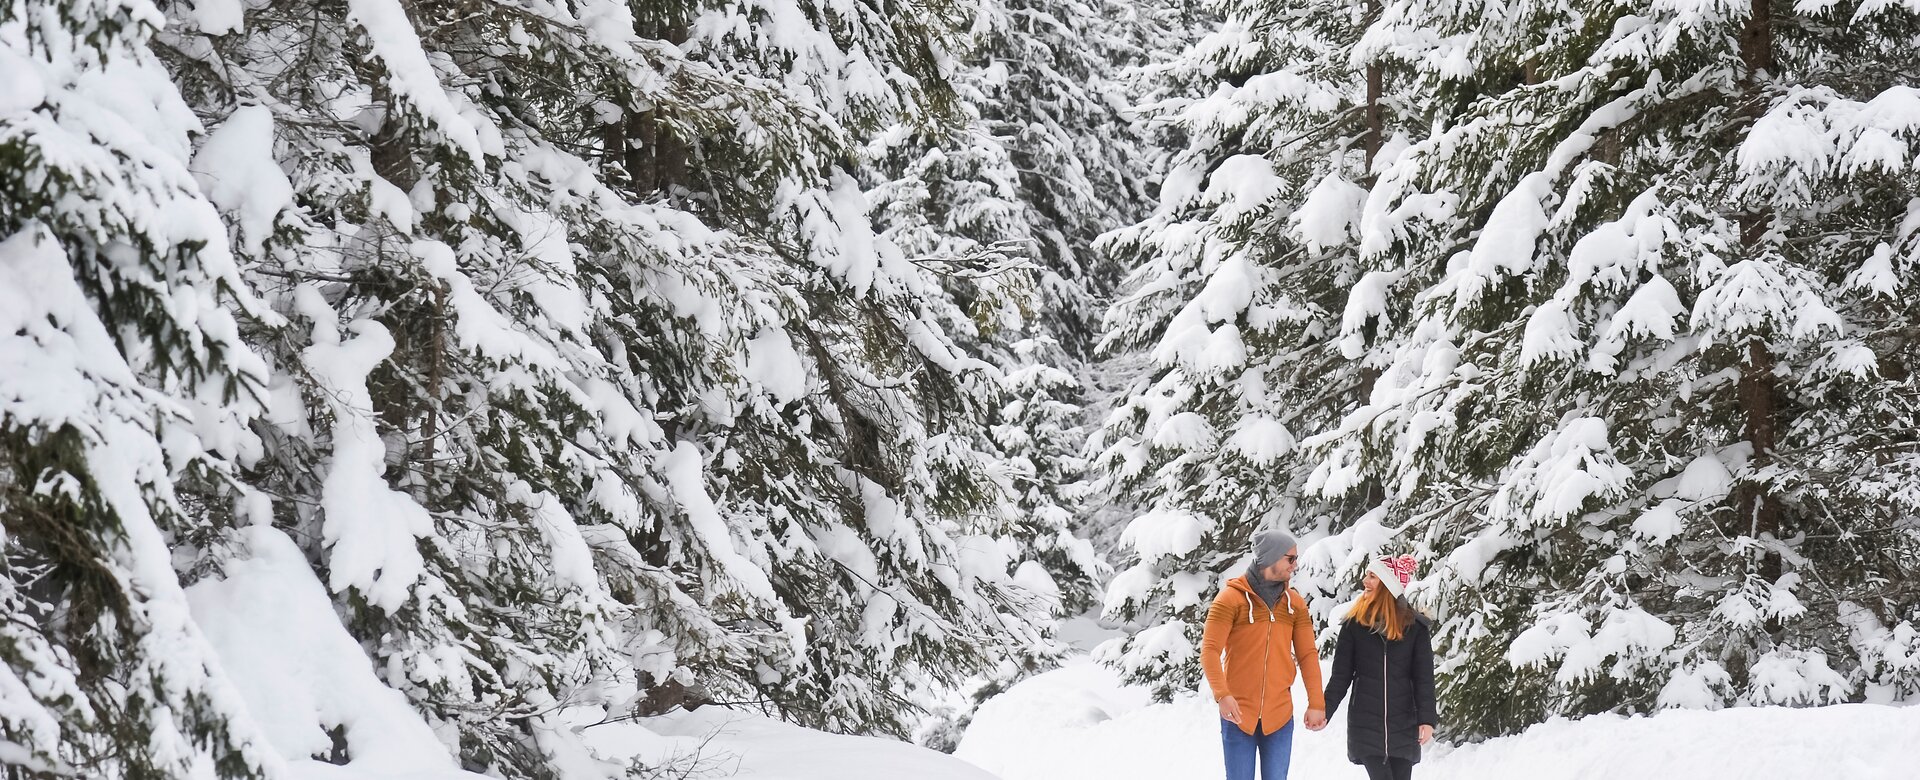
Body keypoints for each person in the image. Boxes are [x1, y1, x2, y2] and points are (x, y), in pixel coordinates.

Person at [1200, 529, 1326, 780]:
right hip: (1238, 716)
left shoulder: (1295, 604)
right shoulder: (1230, 599)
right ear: (1270, 558)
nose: (1295, 565)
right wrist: (1222, 695)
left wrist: (1316, 703)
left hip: (1279, 716)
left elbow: (1308, 655)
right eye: (1290, 558)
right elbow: (1210, 650)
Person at [1321, 555, 1438, 780]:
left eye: (1372, 576)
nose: (1365, 581)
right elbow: (1341, 677)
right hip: (1366, 724)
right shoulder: (1353, 626)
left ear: (1387, 585)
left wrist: (1427, 719)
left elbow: (1424, 678)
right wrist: (1324, 710)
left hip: (1404, 723)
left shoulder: (1415, 628)